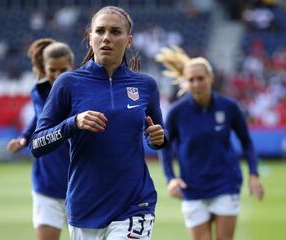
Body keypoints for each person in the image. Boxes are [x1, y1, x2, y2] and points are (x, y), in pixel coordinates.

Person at [30, 6, 167, 240]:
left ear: (129, 40)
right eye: (100, 31)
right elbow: (37, 144)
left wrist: (158, 138)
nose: (106, 38)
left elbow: (158, 136)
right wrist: (73, 123)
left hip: (135, 204)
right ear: (90, 37)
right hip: (85, 206)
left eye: (115, 32)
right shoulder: (68, 83)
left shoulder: (146, 85)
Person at [156, 46, 265, 240]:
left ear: (211, 78)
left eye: (201, 78)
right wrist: (171, 178)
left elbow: (247, 143)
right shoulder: (176, 112)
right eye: (191, 80)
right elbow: (165, 147)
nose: (197, 83)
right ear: (186, 82)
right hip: (192, 188)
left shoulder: (229, 107)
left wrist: (254, 174)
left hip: (226, 184)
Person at [7, 38, 74, 240]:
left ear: (72, 66)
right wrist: (24, 138)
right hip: (47, 182)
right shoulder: (38, 92)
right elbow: (39, 117)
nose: (57, 75)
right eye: (52, 70)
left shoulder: (83, 91)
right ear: (44, 69)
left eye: (63, 70)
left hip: (79, 184)